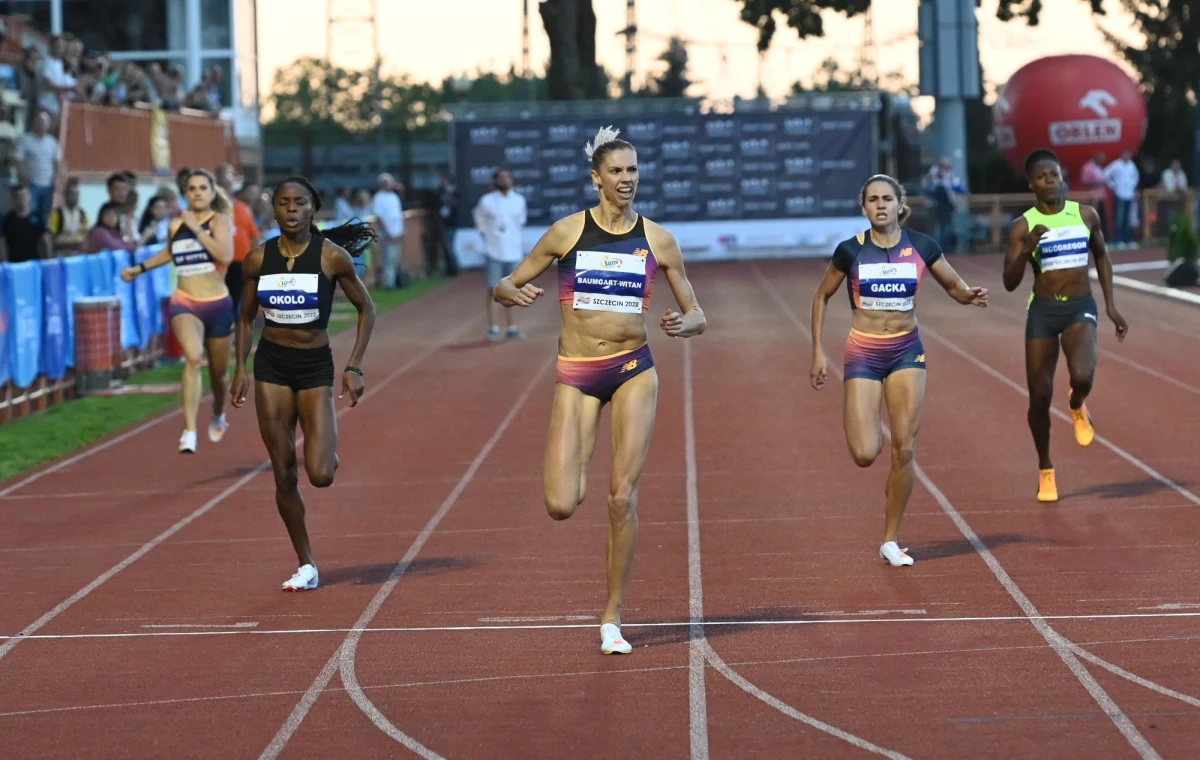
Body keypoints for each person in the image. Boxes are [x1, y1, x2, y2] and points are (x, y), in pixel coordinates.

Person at [493, 126, 707, 653]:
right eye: (616, 171)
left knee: (621, 497)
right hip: (579, 372)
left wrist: (687, 323)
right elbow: (505, 283)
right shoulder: (567, 232)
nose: (626, 179)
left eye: (632, 170)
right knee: (562, 503)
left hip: (635, 368)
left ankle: (612, 617)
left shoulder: (658, 239)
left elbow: (698, 311)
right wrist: (511, 295)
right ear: (597, 178)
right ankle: (577, 460)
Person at [810, 174, 988, 567]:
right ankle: (885, 487)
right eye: (872, 199)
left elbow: (955, 286)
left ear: (899, 203)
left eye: (887, 198)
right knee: (864, 453)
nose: (880, 205)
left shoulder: (923, 246)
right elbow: (821, 295)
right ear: (864, 207)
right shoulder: (849, 251)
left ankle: (891, 539)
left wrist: (969, 295)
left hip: (907, 351)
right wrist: (818, 353)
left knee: (904, 448)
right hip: (864, 352)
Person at [230, 176, 377, 592]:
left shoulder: (331, 257)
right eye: (282, 203)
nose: (291, 210)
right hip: (272, 366)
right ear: (272, 210)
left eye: (299, 203)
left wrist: (354, 366)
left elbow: (367, 309)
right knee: (283, 474)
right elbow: (243, 317)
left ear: (313, 209)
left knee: (320, 474)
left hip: (314, 367)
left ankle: (326, 450)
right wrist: (241, 369)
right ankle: (306, 563)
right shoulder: (257, 259)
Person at [1003, 149, 1128, 503]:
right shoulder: (1022, 226)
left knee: (1083, 377)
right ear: (1032, 184)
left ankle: (1077, 403)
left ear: (1062, 178)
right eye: (1042, 177)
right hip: (1042, 311)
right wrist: (1027, 248)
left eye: (1054, 175)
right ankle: (1045, 468)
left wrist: (1111, 306)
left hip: (1079, 308)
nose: (1050, 182)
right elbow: (1009, 281)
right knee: (1040, 397)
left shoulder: (1085, 215)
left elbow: (1101, 255)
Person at [121, 169, 235, 453]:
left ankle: (219, 413)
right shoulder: (175, 226)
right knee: (194, 359)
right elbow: (171, 253)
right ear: (186, 194)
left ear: (211, 193)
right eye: (191, 188)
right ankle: (190, 431)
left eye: (202, 188)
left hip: (218, 303)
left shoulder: (220, 221)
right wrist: (140, 268)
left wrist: (196, 229)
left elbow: (225, 255)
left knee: (219, 375)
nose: (196, 192)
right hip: (185, 301)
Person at [474, 167, 527, 340]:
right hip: (493, 251)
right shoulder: (486, 201)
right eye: (501, 177)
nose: (504, 180)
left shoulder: (519, 200)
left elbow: (520, 221)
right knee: (493, 290)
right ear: (495, 181)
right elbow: (479, 219)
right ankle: (493, 327)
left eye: (507, 177)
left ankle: (512, 327)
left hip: (513, 251)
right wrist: (486, 234)